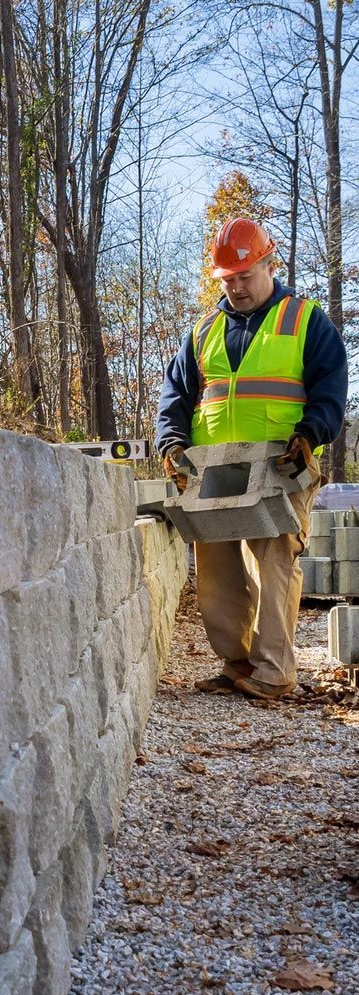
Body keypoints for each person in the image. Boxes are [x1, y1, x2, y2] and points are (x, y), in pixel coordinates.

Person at [156, 217, 348, 700]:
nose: (237, 288)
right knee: (217, 565)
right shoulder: (204, 330)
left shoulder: (305, 320)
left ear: (268, 263)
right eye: (228, 280)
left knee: (275, 558)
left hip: (284, 458)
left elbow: (330, 388)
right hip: (215, 462)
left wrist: (311, 434)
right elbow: (176, 394)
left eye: (246, 276)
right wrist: (171, 441)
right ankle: (235, 662)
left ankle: (274, 671)